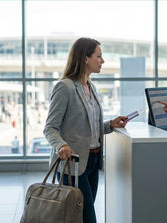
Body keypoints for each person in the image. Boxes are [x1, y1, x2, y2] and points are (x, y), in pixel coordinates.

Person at [44, 37, 128, 223]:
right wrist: (61, 145)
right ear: (85, 58)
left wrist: (110, 125)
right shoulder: (64, 87)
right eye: (99, 56)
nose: (103, 61)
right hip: (71, 164)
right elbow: (50, 128)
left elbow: (87, 127)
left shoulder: (91, 87)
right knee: (88, 218)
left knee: (78, 218)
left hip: (92, 161)